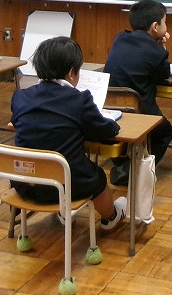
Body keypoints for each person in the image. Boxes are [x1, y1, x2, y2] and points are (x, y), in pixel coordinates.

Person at [11, 36, 128, 230]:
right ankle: (110, 217)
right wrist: (110, 123)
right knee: (96, 176)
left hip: (26, 184)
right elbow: (106, 131)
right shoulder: (79, 99)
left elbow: (17, 121)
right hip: (69, 186)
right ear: (72, 73)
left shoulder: (21, 97)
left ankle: (64, 214)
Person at [102, 0, 172, 186]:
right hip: (140, 110)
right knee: (165, 132)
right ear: (155, 26)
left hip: (110, 108)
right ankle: (135, 170)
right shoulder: (156, 51)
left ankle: (122, 164)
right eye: (165, 22)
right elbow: (162, 72)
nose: (166, 27)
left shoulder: (119, 38)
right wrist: (161, 48)